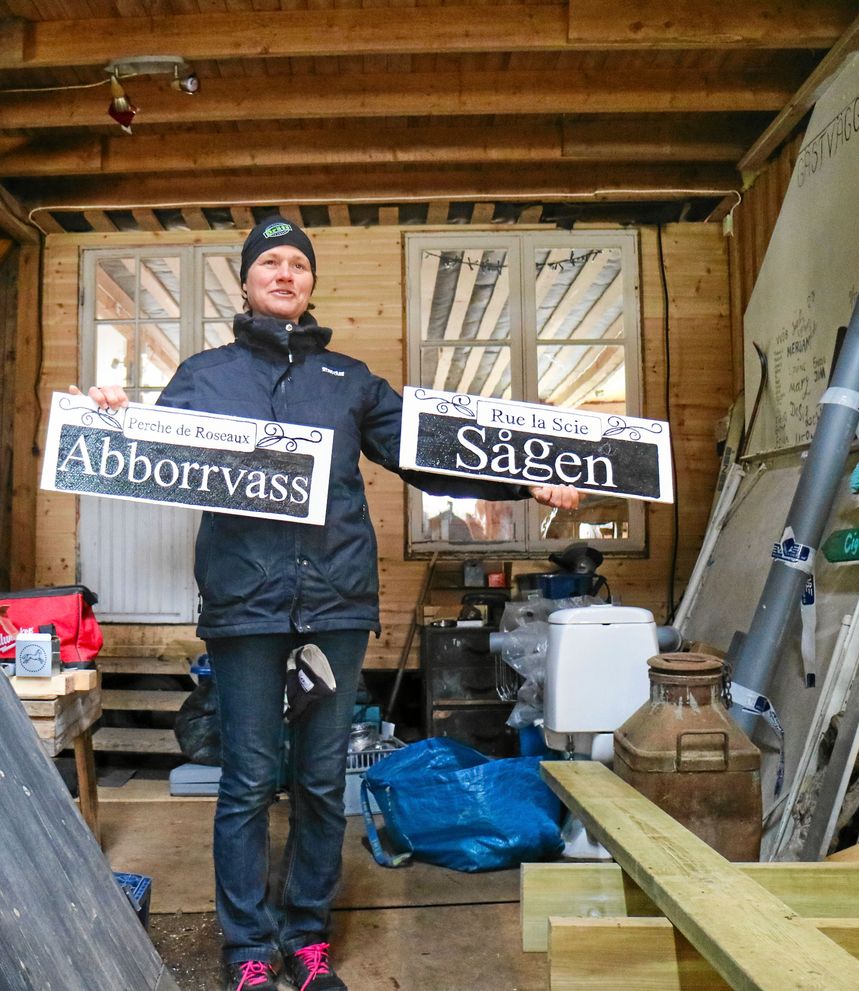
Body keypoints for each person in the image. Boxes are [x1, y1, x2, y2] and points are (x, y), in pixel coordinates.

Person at [75, 216, 578, 991]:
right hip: (245, 608)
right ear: (245, 281)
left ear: (311, 283)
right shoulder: (203, 375)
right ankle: (246, 952)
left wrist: (528, 476)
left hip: (336, 607)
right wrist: (111, 412)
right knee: (246, 779)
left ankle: (305, 940)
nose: (284, 274)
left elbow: (432, 451)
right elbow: (150, 451)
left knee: (317, 778)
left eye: (297, 265)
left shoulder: (349, 381)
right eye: (269, 263)